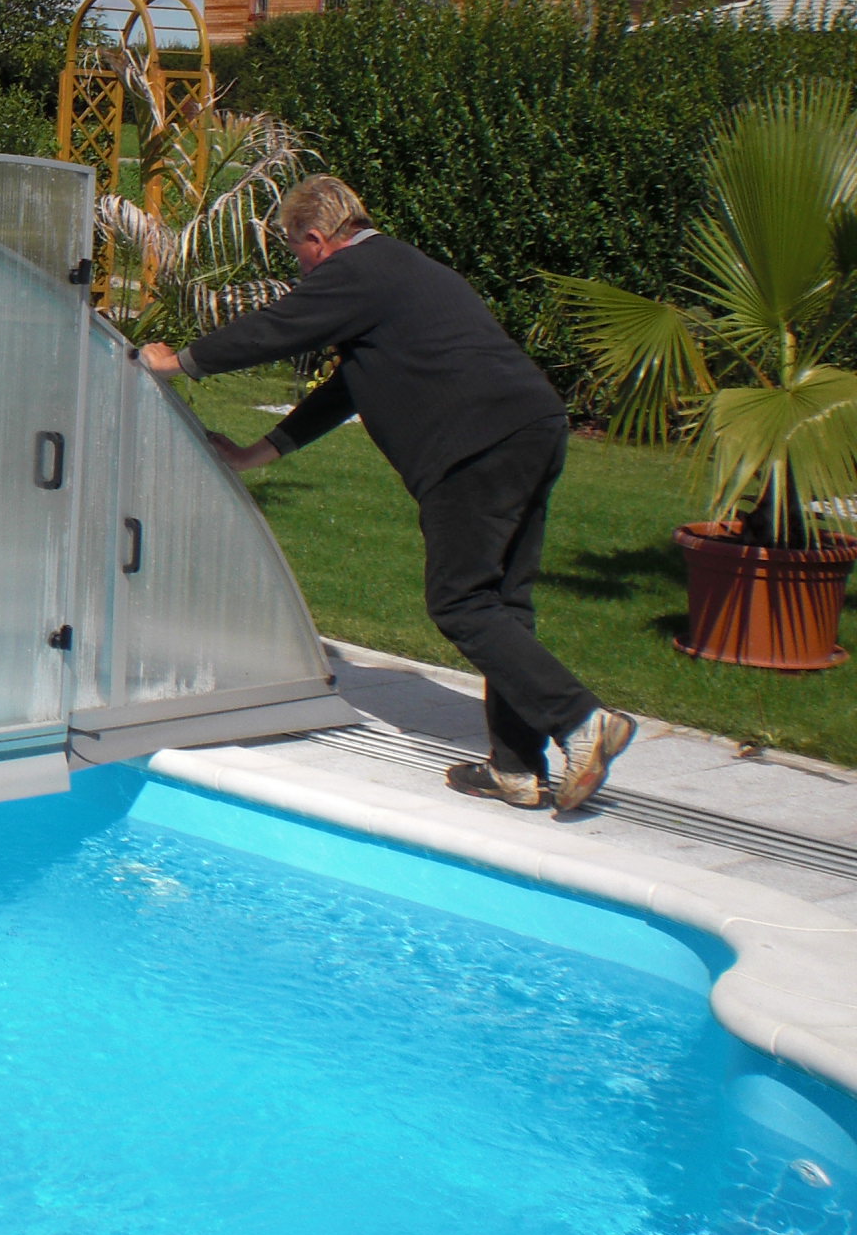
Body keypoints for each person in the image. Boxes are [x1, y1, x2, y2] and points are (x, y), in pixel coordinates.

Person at [138, 175, 635, 812]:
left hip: (474, 443)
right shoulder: (397, 270)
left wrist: (178, 362)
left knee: (461, 602)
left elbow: (275, 329)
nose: (300, 266)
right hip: (531, 427)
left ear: (315, 238)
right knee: (504, 605)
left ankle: (582, 720)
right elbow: (351, 385)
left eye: (295, 250)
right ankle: (516, 767)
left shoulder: (357, 270)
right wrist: (259, 453)